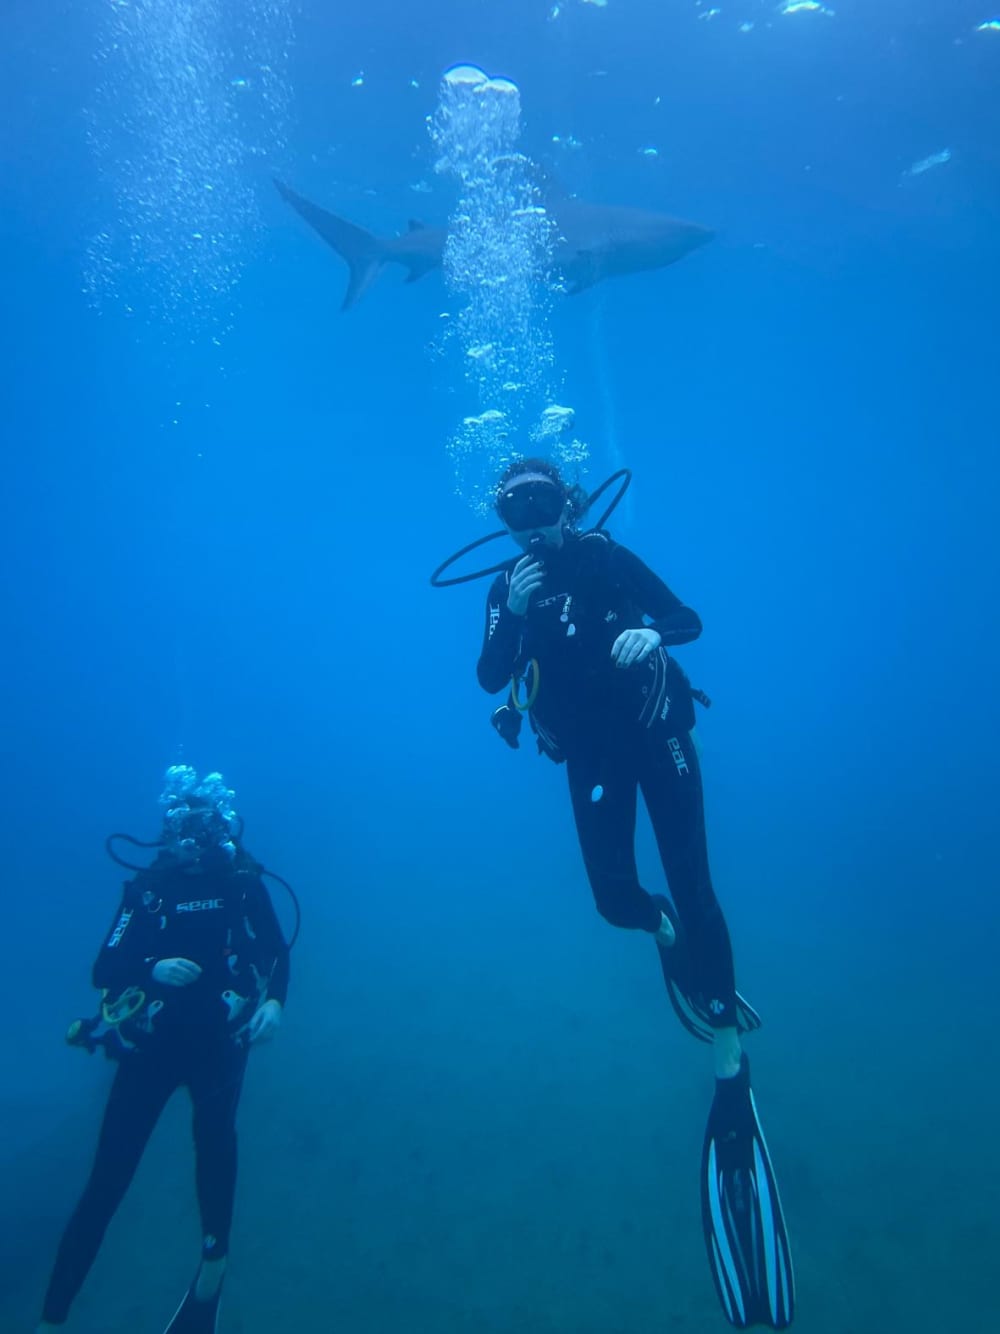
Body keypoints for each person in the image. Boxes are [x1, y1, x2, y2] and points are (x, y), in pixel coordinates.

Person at [475, 459, 795, 1329]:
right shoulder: (510, 586)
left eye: (543, 507)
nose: (532, 526)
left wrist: (658, 637)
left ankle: (729, 1067)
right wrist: (511, 607)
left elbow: (686, 616)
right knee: (619, 900)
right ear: (503, 523)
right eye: (515, 515)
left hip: (658, 732)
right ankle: (666, 939)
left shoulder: (610, 560)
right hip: (591, 754)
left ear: (570, 505)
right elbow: (486, 675)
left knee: (696, 887)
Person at [37, 766, 290, 1334]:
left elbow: (277, 952)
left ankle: (211, 1271)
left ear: (222, 829)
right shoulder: (149, 889)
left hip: (221, 1046)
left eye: (205, 831)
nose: (194, 844)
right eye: (184, 831)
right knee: (107, 1181)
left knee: (215, 1149)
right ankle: (52, 1319)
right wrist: (152, 966)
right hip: (151, 1047)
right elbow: (106, 966)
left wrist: (274, 1004)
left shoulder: (243, 882)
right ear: (170, 832)